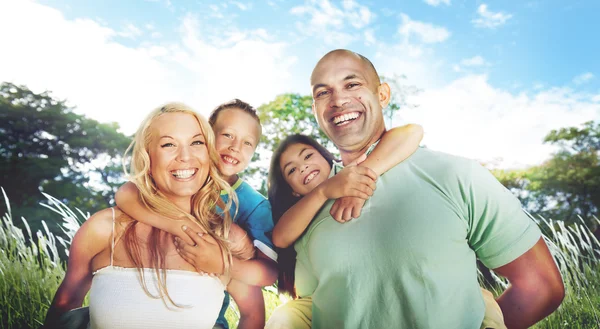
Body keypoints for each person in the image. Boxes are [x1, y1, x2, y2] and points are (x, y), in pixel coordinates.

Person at [277, 49, 565, 329]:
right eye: (322, 92)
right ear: (315, 110)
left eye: (352, 84)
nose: (338, 99)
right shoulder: (311, 206)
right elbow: (307, 303)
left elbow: (540, 286)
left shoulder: (456, 175)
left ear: (382, 95)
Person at [43, 103, 257, 329]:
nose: (185, 156)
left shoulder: (227, 238)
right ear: (148, 156)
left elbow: (253, 315)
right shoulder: (105, 228)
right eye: (168, 144)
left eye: (197, 142)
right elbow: (64, 309)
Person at [115, 99, 278, 329]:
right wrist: (180, 225)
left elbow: (269, 272)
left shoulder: (254, 206)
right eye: (228, 135)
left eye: (247, 143)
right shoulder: (181, 176)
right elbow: (126, 193)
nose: (235, 147)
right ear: (205, 134)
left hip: (208, 316)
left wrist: (222, 263)